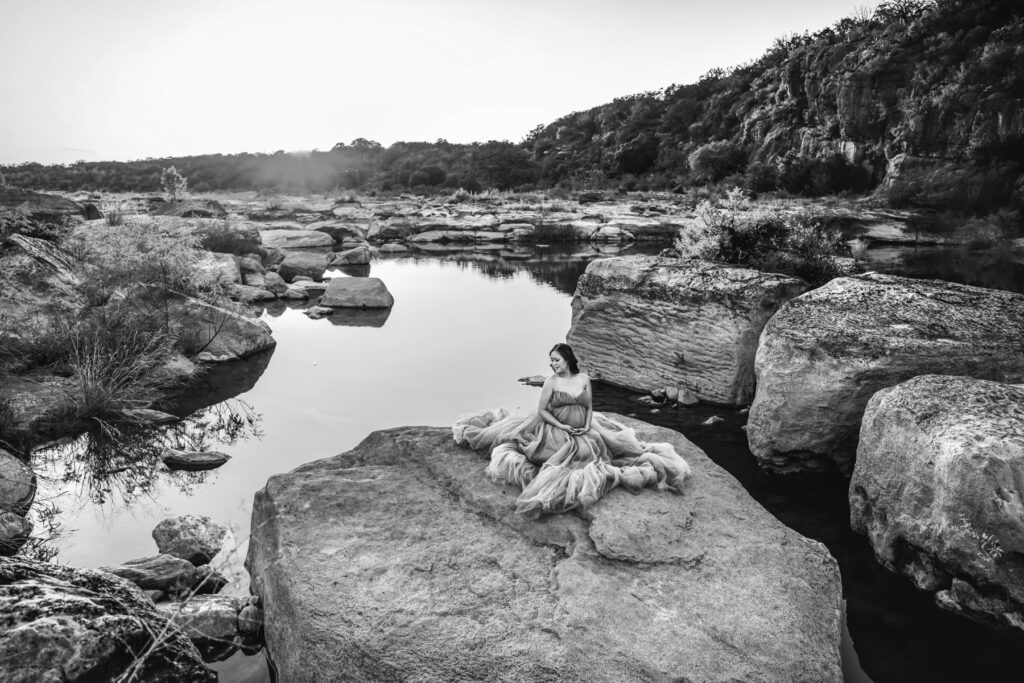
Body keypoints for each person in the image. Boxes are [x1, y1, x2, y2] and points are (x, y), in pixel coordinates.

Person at [453, 343, 691, 514]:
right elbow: (543, 410)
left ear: (568, 359)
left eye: (556, 359)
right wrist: (563, 425)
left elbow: (588, 406)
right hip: (554, 425)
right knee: (566, 457)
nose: (553, 364)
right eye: (551, 360)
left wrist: (586, 425)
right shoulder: (551, 382)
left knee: (601, 449)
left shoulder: (584, 379)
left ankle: (584, 438)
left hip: (583, 427)